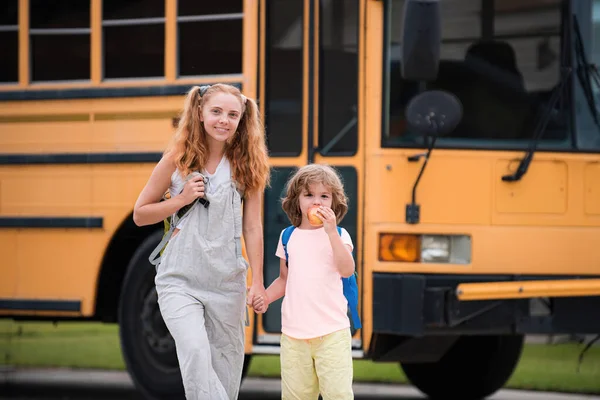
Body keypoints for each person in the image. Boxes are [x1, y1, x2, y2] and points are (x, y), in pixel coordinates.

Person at [133, 83, 270, 400]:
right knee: (195, 352)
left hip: (227, 284)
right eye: (217, 112)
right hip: (179, 279)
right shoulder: (176, 159)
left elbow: (253, 227)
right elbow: (141, 214)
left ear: (241, 119)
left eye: (233, 115)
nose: (224, 120)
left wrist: (258, 282)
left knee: (225, 375)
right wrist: (180, 199)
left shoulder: (247, 166)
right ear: (200, 112)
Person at [253, 164, 355, 400]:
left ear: (334, 202)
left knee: (338, 395)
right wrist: (265, 297)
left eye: (324, 196)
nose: (316, 202)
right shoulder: (288, 236)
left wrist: (330, 233)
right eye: (308, 195)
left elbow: (347, 269)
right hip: (293, 336)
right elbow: (284, 279)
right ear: (296, 200)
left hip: (332, 333)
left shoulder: (339, 236)